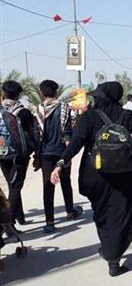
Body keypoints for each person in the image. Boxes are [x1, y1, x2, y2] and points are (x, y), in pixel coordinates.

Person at [51, 82, 132, 276]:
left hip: (95, 175)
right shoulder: (129, 116)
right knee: (124, 214)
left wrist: (61, 162)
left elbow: (76, 142)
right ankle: (113, 254)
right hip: (126, 176)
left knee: (102, 214)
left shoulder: (89, 117)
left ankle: (109, 250)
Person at [34, 79, 82, 233]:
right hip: (61, 151)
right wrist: (69, 154)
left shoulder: (38, 110)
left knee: (48, 186)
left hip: (45, 153)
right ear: (56, 92)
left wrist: (36, 154)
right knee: (65, 182)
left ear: (42, 93)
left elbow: (36, 135)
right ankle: (70, 212)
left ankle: (49, 222)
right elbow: (68, 132)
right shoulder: (64, 108)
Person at [0, 80, 37, 226]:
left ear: (3, 93)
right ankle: (8, 223)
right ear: (18, 95)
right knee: (15, 186)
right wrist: (34, 151)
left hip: (2, 153)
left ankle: (20, 216)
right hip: (19, 155)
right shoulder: (24, 112)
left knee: (12, 185)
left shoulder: (1, 110)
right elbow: (33, 134)